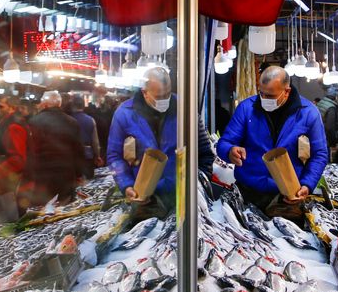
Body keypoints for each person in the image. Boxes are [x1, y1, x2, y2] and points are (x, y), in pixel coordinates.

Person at [218, 66, 328, 218]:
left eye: (270, 95)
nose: (263, 98)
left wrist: (307, 184)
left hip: (286, 198)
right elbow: (225, 142)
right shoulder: (246, 108)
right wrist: (230, 151)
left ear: (286, 91)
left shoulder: (308, 113)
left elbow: (320, 154)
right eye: (261, 93)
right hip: (248, 193)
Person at [107, 67, 214, 218]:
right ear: (145, 92)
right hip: (144, 199)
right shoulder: (125, 113)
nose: (164, 100)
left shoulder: (186, 108)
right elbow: (114, 156)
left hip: (182, 196)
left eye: (167, 95)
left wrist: (199, 184)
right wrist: (126, 185)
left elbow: (204, 151)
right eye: (159, 96)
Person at [19, 91, 85, 211]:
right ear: (59, 105)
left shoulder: (33, 122)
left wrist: (27, 177)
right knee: (63, 212)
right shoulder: (71, 122)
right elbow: (78, 151)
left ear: (44, 104)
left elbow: (30, 152)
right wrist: (79, 174)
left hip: (41, 176)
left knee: (42, 213)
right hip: (66, 175)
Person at [70, 93, 103, 179]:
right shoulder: (90, 120)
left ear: (72, 106)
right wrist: (97, 155)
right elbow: (95, 141)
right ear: (83, 106)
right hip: (87, 155)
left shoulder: (68, 119)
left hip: (72, 155)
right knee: (87, 182)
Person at [315, 89, 338, 156]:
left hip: (316, 136)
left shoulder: (320, 103)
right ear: (335, 97)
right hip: (325, 140)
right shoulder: (331, 108)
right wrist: (333, 143)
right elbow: (330, 127)